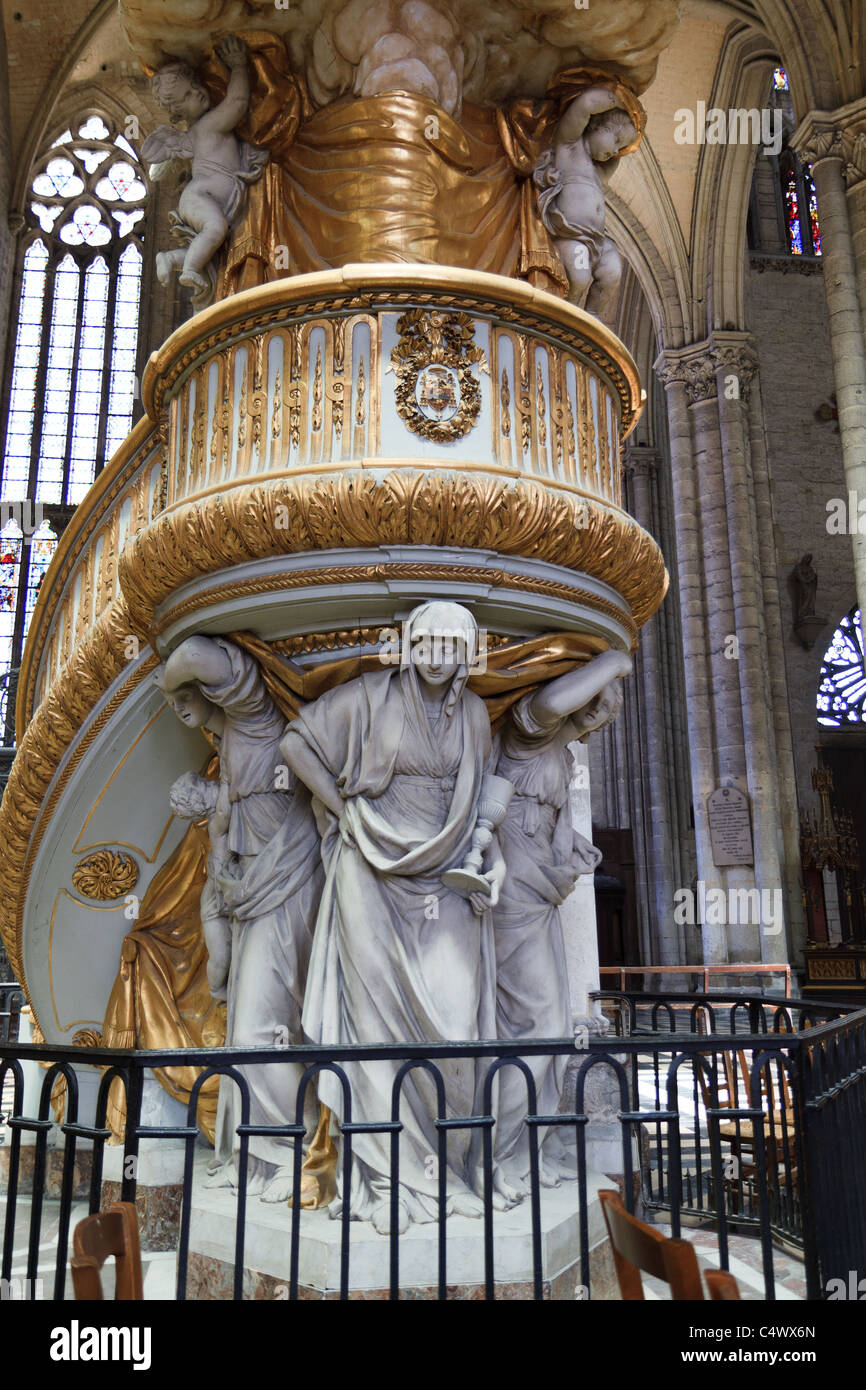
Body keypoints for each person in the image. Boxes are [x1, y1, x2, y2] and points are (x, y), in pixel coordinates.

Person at [280, 600, 507, 1233]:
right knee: (374, 1038)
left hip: (445, 876)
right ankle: (385, 1182)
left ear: (464, 654)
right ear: (409, 644)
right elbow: (296, 743)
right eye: (427, 642)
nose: (438, 656)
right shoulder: (368, 697)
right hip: (370, 873)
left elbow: (480, 804)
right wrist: (344, 809)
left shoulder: (475, 714)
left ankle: (446, 1173)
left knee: (456, 1030)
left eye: (450, 645)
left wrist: (492, 869)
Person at [155, 634, 325, 1204]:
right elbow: (228, 818)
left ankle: (288, 1153)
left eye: (186, 699)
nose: (180, 708)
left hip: (286, 886)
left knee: (266, 1023)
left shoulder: (256, 721)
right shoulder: (230, 742)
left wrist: (164, 674)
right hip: (250, 890)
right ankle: (249, 1152)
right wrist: (224, 864)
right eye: (175, 704)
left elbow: (200, 655)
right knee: (248, 1025)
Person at [492, 646, 632, 1195]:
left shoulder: (564, 755)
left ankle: (532, 1140)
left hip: (540, 884)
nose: (597, 718)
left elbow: (543, 815)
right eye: (596, 706)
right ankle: (503, 1149)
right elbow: (550, 701)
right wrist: (614, 660)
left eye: (607, 715)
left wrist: (573, 844)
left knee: (545, 1023)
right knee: (530, 1018)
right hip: (513, 885)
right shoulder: (528, 727)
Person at [142, 36, 267, 305]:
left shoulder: (197, 134)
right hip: (200, 197)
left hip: (206, 198)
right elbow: (237, 103)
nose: (196, 93)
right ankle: (189, 270)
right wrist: (239, 66)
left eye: (194, 86)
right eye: (187, 97)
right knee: (215, 228)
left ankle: (171, 259)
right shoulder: (208, 126)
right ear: (177, 115)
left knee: (206, 242)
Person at [534, 84, 638, 317]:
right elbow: (585, 105)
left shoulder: (597, 172)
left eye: (620, 147)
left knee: (612, 272)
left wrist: (629, 132)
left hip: (597, 241)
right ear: (595, 125)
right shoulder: (569, 147)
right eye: (615, 139)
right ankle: (559, 321)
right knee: (579, 278)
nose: (615, 150)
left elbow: (620, 155)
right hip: (571, 235)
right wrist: (621, 101)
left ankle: (593, 321)